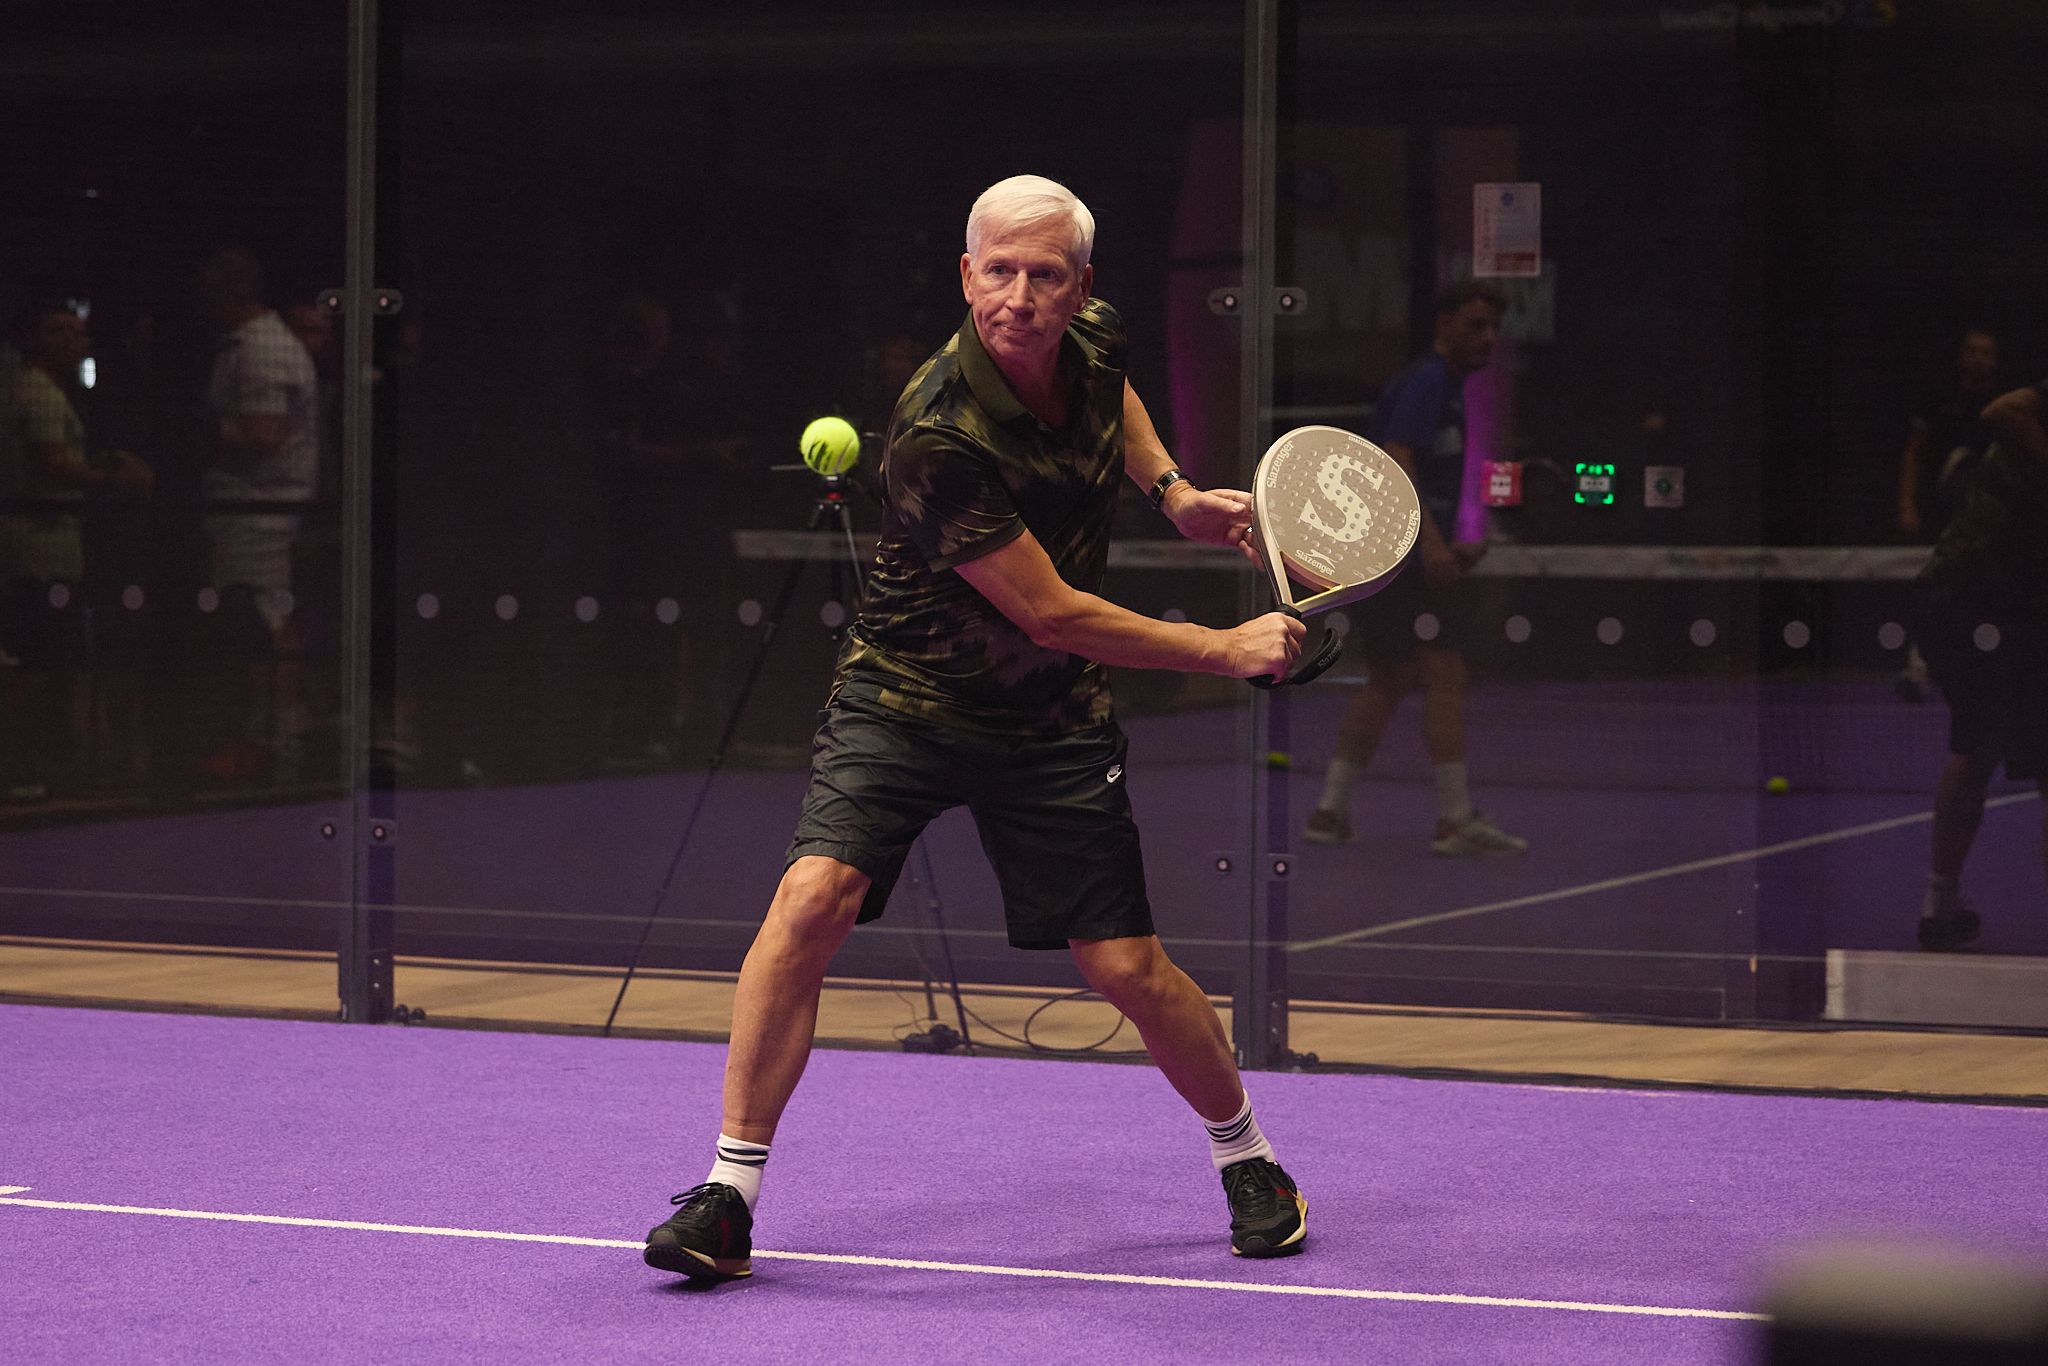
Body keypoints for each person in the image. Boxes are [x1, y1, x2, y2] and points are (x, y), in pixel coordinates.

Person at [642, 175, 1309, 1282]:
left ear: (1078, 286)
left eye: (1044, 275)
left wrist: (1174, 489)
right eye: (995, 270)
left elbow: (1116, 394)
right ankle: (725, 1194)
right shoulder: (937, 427)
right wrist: (1226, 646)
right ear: (965, 274)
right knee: (811, 901)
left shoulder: (1088, 335)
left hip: (1048, 720)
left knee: (1126, 966)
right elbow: (1051, 611)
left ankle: (1251, 1158)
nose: (1017, 296)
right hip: (907, 696)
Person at [1303, 281, 1527, 857]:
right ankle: (1455, 820)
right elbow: (1396, 461)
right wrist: (1430, 547)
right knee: (1446, 674)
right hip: (1401, 560)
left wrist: (1450, 541)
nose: (1488, 338)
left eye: (1493, 329)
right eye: (1476, 325)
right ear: (1445, 323)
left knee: (1391, 678)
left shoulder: (1444, 388)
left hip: (1396, 556)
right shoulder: (1428, 383)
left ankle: (1330, 812)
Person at [1910, 378, 2048, 951]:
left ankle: (1940, 905)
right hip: (1984, 604)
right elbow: (2001, 408)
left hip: (1962, 603)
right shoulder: (2028, 416)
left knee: (1976, 746)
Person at [1895, 329, 2000, 701]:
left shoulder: (2004, 404)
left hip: (1992, 520)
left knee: (1991, 594)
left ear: (1995, 359)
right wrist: (1907, 504)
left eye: (1985, 352)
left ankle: (1991, 670)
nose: (1978, 358)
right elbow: (1914, 452)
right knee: (1933, 593)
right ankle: (1918, 669)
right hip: (1942, 517)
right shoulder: (1939, 401)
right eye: (1972, 350)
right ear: (1961, 356)